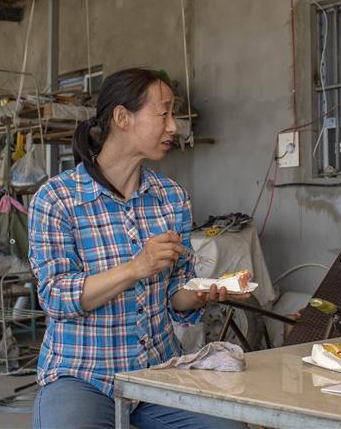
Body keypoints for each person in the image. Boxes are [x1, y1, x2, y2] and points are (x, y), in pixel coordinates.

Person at [29, 68, 245, 429]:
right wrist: (135, 268)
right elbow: (55, 296)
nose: (173, 127)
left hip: (156, 372)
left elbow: (175, 292)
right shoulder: (57, 199)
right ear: (122, 117)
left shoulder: (171, 197)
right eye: (163, 114)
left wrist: (199, 295)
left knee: (229, 427)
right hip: (82, 375)